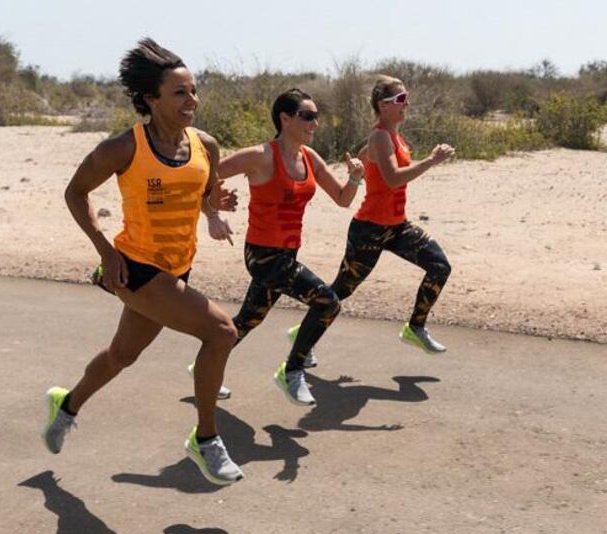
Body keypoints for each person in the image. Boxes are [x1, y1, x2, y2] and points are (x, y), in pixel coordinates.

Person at [41, 38, 243, 486]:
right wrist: (105, 251)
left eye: (193, 90)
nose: (192, 100)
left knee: (121, 355)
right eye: (180, 92)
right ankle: (206, 440)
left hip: (177, 266)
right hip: (133, 268)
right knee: (221, 331)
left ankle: (67, 405)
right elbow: (76, 193)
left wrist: (215, 210)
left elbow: (207, 196)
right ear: (151, 99)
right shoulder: (122, 148)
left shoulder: (205, 145)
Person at [213, 88, 364, 406]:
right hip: (263, 256)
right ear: (285, 118)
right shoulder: (260, 155)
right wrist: (212, 210)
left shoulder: (310, 158)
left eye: (316, 117)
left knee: (248, 320)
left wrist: (354, 179)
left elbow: (342, 199)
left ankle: (204, 368)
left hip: (288, 254)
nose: (315, 123)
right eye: (308, 116)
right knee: (328, 302)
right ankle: (292, 371)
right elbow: (205, 175)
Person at [302, 76, 455, 353]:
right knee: (341, 291)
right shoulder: (380, 135)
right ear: (382, 106)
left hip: (398, 227)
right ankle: (303, 335)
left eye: (406, 97)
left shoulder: (392, 136)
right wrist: (431, 161)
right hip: (369, 230)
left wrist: (360, 162)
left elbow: (368, 153)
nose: (405, 104)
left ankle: (415, 327)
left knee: (440, 266)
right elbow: (393, 178)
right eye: (399, 99)